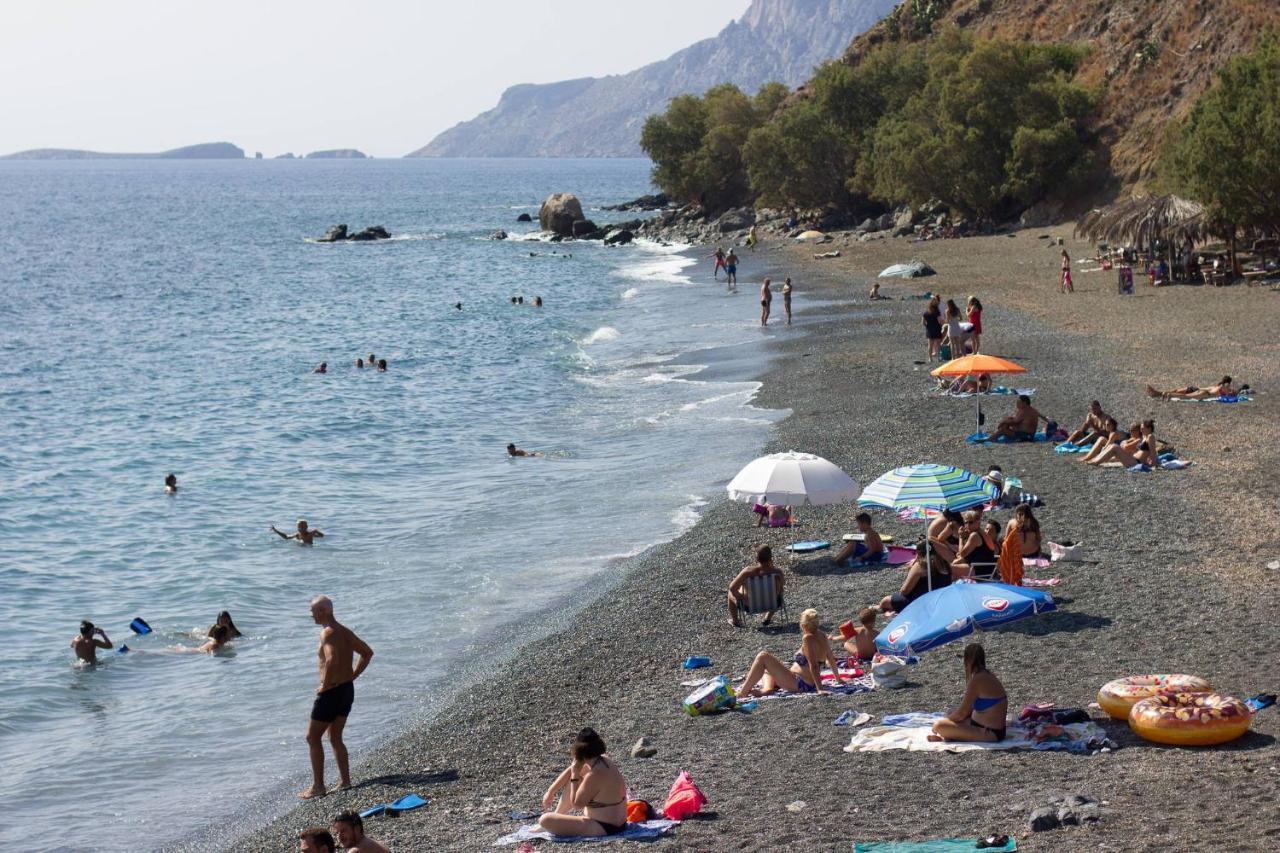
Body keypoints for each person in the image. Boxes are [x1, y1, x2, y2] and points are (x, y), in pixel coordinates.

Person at [301, 596, 374, 799]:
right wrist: (353, 675)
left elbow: (331, 659)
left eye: (313, 611)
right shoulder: (344, 631)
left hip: (332, 692)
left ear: (323, 611)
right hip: (346, 690)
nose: (311, 615)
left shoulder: (327, 633)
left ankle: (318, 786)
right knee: (335, 737)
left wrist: (324, 685)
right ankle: (345, 781)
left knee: (312, 737)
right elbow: (367, 652)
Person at [536, 728, 629, 838]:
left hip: (605, 827)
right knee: (573, 781)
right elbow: (569, 771)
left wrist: (575, 775)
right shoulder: (603, 759)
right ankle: (558, 814)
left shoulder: (594, 775)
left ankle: (554, 818)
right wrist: (550, 792)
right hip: (619, 822)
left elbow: (577, 805)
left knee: (545, 820)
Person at [735, 608, 846, 697]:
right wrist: (838, 679)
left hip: (800, 684)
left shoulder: (807, 638)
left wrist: (820, 689)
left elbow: (814, 665)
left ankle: (742, 693)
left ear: (802, 625)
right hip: (802, 681)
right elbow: (830, 659)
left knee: (763, 657)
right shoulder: (822, 635)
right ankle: (767, 688)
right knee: (766, 669)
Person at [930, 643, 1008, 742]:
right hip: (990, 727)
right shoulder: (988, 675)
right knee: (950, 712)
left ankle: (947, 736)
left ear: (967, 661)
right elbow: (968, 710)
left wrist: (946, 720)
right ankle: (949, 735)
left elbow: (961, 714)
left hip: (989, 732)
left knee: (939, 725)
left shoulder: (976, 680)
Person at [877, 544, 950, 615]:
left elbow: (904, 591)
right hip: (940, 600)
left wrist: (911, 569)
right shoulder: (944, 564)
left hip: (920, 602)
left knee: (885, 601)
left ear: (919, 553)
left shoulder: (921, 565)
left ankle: (878, 608)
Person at [727, 545, 784, 627]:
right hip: (774, 604)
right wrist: (772, 567)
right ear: (771, 557)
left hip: (750, 606)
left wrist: (741, 597)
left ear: (757, 558)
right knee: (778, 590)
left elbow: (732, 588)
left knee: (730, 593)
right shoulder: (777, 573)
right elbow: (781, 588)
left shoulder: (747, 572)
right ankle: (767, 618)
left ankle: (735, 621)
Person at [949, 511, 998, 578]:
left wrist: (961, 537)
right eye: (966, 522)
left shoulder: (974, 535)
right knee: (954, 563)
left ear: (978, 522)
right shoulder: (982, 533)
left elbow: (962, 554)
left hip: (979, 571)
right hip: (984, 569)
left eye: (971, 522)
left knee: (947, 568)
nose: (968, 525)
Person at [1146, 376, 1240, 401]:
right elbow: (1233, 392)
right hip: (1204, 393)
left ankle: (1157, 393)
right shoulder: (1224, 388)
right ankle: (1161, 394)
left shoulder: (1216, 386)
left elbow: (1232, 392)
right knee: (1184, 396)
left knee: (1177, 392)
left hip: (1197, 388)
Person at [922, 295, 944, 361]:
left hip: (929, 330)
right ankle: (938, 358)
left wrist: (927, 326)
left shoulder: (926, 312)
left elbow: (923, 322)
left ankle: (930, 358)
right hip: (937, 329)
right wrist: (943, 323)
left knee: (930, 345)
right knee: (938, 344)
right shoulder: (937, 312)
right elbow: (939, 321)